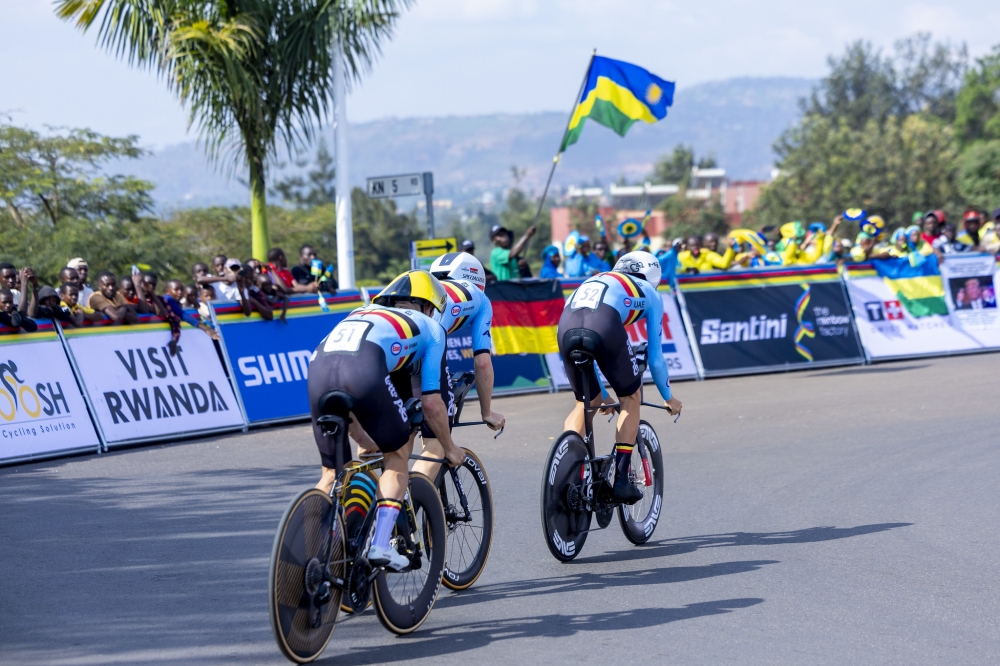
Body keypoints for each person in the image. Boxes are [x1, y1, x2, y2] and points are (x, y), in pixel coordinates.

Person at [307, 270, 465, 571]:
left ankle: (310, 547)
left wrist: (363, 437)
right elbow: (432, 404)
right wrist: (450, 448)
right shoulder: (431, 327)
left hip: (319, 371)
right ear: (429, 306)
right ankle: (380, 545)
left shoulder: (362, 311)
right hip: (363, 371)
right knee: (396, 457)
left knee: (331, 472)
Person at [557, 251, 682, 504]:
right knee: (631, 398)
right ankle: (622, 480)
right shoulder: (649, 291)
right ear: (652, 275)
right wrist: (669, 398)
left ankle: (567, 469)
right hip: (603, 323)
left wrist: (602, 395)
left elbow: (586, 346)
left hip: (566, 326)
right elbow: (656, 357)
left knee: (585, 403)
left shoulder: (598, 278)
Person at [411, 253, 506, 480]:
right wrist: (487, 412)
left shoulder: (426, 286)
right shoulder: (480, 298)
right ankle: (408, 504)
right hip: (426, 344)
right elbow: (482, 362)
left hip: (397, 343)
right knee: (439, 445)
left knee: (401, 442)